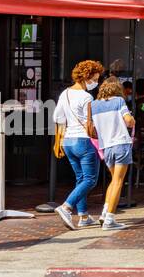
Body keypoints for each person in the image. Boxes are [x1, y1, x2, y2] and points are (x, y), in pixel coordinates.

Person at [53, 59, 105, 230]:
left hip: (68, 141)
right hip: (84, 141)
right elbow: (89, 122)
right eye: (95, 79)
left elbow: (58, 118)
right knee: (90, 179)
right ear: (87, 77)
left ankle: (83, 215)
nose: (95, 83)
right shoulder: (87, 96)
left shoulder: (65, 93)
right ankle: (67, 207)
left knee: (80, 178)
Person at [92, 76, 136, 231]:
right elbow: (129, 120)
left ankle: (105, 213)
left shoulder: (94, 105)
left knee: (113, 180)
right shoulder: (119, 101)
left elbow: (91, 128)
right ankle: (110, 218)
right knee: (118, 181)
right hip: (121, 143)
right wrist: (132, 120)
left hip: (106, 146)